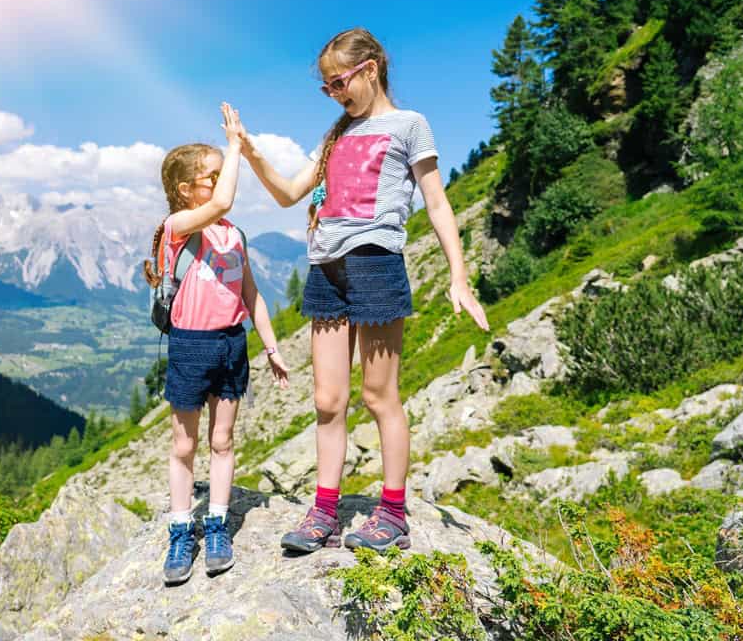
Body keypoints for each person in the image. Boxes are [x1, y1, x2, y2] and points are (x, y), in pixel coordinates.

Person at [235, 29, 490, 552]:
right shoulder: (334, 134)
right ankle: (324, 511)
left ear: (370, 69)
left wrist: (458, 275)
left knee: (379, 395)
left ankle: (393, 513)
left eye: (339, 83)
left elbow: (437, 204)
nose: (335, 94)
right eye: (327, 88)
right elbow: (288, 194)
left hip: (377, 265)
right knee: (328, 400)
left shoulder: (410, 126)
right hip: (326, 268)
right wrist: (251, 152)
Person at [142, 103, 291, 584]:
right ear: (186, 190)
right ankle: (181, 530)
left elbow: (251, 296)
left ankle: (217, 524)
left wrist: (270, 347)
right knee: (184, 443)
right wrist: (234, 146)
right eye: (213, 175)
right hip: (189, 345)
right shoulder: (176, 228)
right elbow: (222, 203)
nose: (224, 180)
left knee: (221, 441)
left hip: (231, 344)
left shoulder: (233, 236)